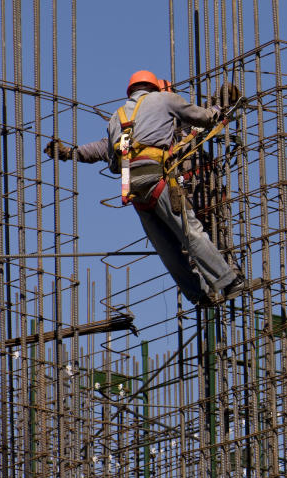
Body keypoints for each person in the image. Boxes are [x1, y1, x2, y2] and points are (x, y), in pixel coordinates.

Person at [44, 69, 247, 306]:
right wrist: (217, 109)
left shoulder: (118, 118)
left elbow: (103, 149)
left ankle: (197, 294)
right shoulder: (164, 101)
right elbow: (202, 116)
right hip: (162, 183)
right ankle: (229, 280)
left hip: (135, 191)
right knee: (192, 234)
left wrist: (72, 153)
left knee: (168, 249)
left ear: (132, 90)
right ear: (156, 88)